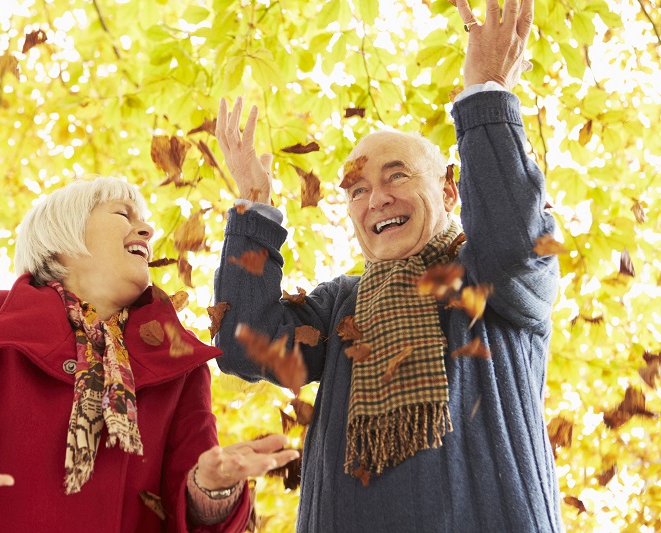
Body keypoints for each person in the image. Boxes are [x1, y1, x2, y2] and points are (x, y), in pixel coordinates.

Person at [213, 0, 563, 531]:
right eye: (356, 189)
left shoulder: (493, 276)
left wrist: (486, 91)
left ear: (449, 188)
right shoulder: (339, 306)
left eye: (396, 177)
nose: (373, 199)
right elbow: (245, 346)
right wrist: (253, 209)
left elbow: (512, 239)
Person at [0, 177, 299, 532]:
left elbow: (189, 508)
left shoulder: (179, 359)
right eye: (123, 215)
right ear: (63, 239)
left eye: (144, 221)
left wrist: (213, 490)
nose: (147, 231)